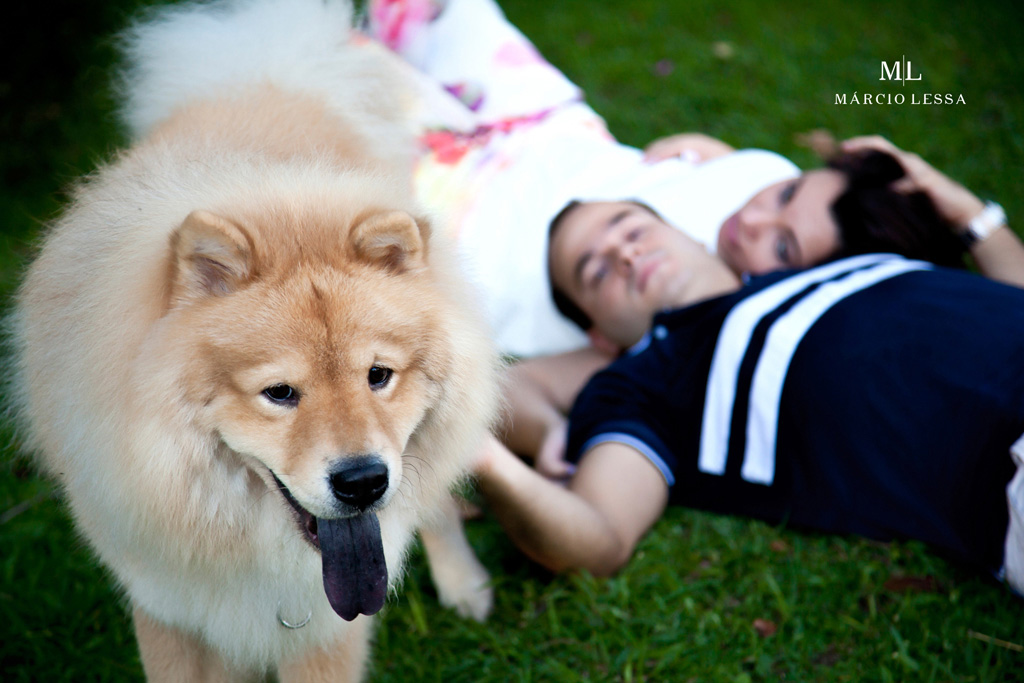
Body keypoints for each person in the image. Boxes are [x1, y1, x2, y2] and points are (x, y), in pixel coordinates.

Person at [473, 134, 1024, 594]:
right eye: (593, 271)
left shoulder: (836, 263)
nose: (624, 253)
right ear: (597, 334)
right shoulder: (643, 385)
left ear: (688, 230)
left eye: (634, 229)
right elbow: (599, 538)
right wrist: (490, 459)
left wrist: (973, 216)